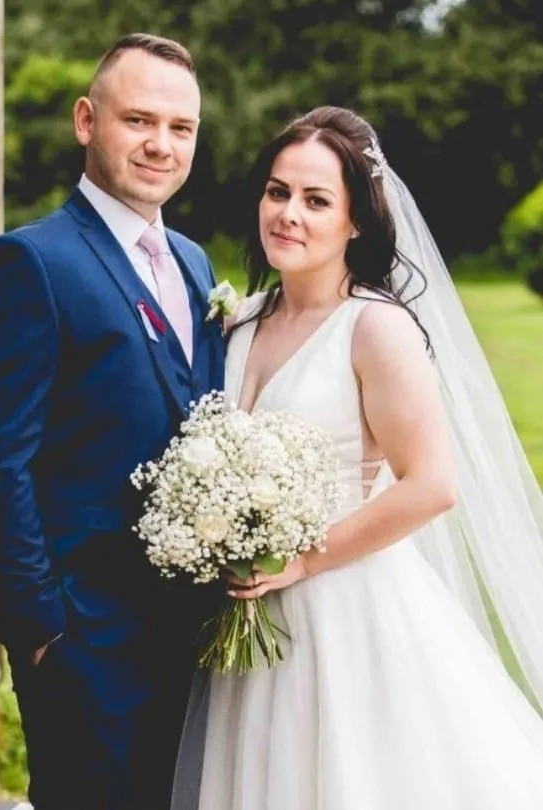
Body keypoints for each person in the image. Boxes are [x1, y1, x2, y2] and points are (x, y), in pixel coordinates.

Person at [171, 106, 543, 809]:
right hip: (251, 617)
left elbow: (429, 484)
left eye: (316, 201)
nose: (288, 214)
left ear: (356, 223)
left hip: (345, 611)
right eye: (277, 192)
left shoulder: (375, 329)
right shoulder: (239, 320)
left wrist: (304, 560)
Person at [0, 34, 225, 810]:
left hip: (191, 630)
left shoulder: (194, 262)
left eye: (180, 128)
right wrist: (41, 630)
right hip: (85, 638)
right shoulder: (28, 263)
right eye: (138, 119)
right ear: (86, 120)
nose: (159, 144)